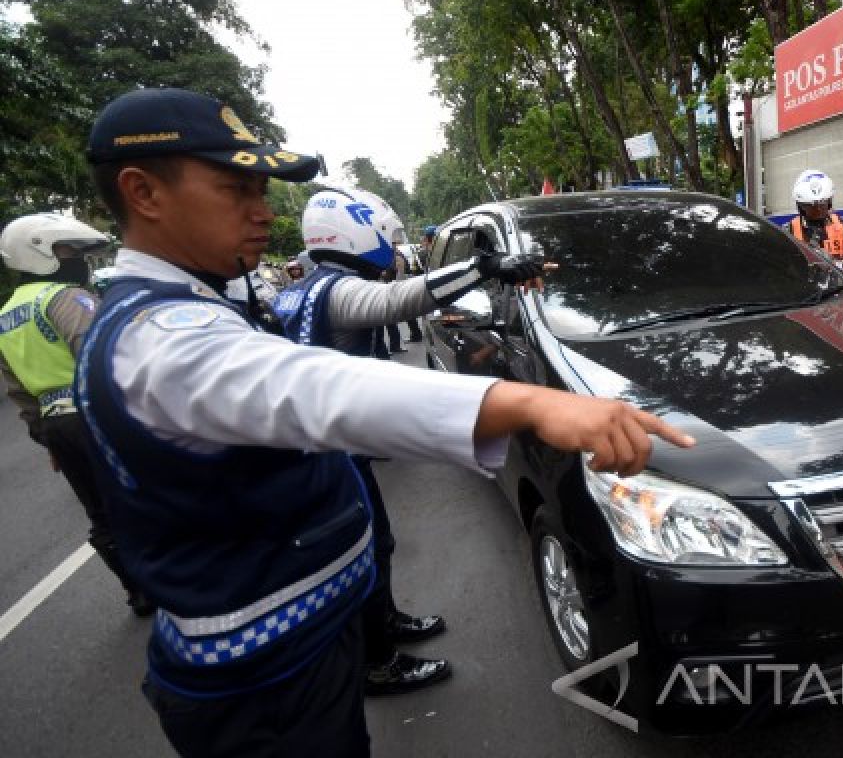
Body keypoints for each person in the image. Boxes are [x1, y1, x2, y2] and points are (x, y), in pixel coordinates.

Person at [77, 86, 693, 757]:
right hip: (267, 684)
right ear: (144, 193)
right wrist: (531, 400)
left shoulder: (191, 302)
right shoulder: (162, 336)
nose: (261, 213)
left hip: (298, 648)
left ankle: (380, 638)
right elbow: (315, 387)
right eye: (236, 190)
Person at [275, 186, 545, 695]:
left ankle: (386, 623)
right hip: (333, 451)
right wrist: (483, 268)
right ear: (358, 233)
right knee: (364, 546)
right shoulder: (334, 290)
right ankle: (377, 662)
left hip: (333, 441)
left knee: (374, 542)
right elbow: (397, 300)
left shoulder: (302, 287)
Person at [0, 213, 151, 616]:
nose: (77, 261)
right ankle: (174, 577)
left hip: (56, 422)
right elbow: (99, 356)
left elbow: (18, 391)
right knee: (146, 492)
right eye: (68, 251)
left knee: (98, 510)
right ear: (40, 254)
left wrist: (46, 437)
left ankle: (136, 590)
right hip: (95, 414)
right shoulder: (65, 297)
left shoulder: (6, 316)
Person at [790, 168, 843, 273]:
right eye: (811, 207)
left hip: (836, 283)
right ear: (801, 206)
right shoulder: (791, 229)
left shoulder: (840, 225)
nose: (818, 210)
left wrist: (839, 265)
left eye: (822, 205)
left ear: (829, 203)